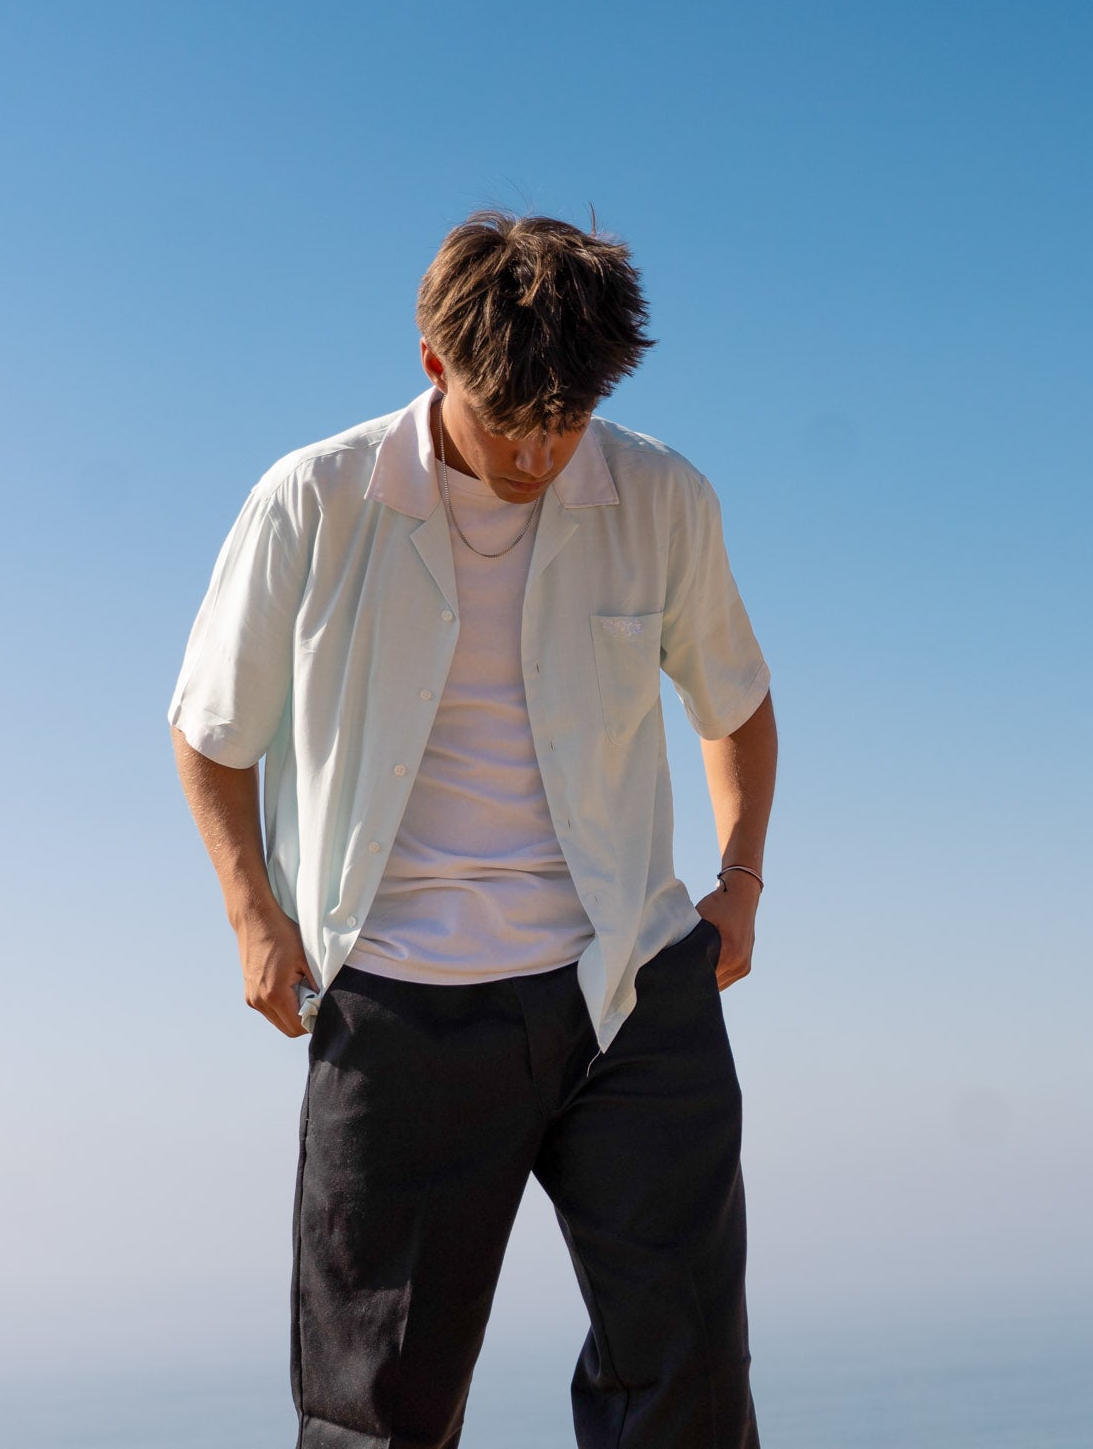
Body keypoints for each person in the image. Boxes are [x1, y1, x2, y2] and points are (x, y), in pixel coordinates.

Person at [168, 209, 777, 1449]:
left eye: (571, 418)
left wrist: (742, 879)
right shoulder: (314, 500)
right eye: (516, 419)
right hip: (401, 1005)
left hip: (631, 989)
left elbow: (736, 702)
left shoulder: (660, 495)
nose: (544, 452)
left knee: (689, 1384)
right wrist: (252, 914)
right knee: (375, 1411)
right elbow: (210, 733)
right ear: (437, 363)